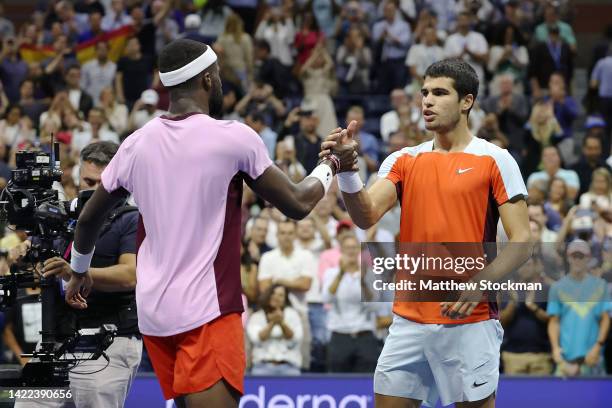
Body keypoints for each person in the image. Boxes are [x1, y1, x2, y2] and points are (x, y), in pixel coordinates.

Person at [63, 39, 356, 408]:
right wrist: (331, 164)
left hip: (154, 317)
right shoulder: (233, 137)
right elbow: (298, 203)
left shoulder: (135, 144)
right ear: (206, 79)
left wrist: (79, 272)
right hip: (207, 312)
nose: (219, 83)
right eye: (217, 76)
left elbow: (88, 218)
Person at [320, 58, 532, 407]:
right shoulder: (404, 159)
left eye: (439, 93)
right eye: (424, 93)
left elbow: (522, 241)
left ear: (467, 101)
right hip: (408, 320)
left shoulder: (496, 159)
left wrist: (481, 281)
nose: (427, 101)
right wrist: (347, 171)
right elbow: (365, 213)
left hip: (470, 321)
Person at [14, 141, 141, 408]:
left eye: (100, 184)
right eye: (87, 181)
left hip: (109, 338)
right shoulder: (62, 217)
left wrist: (79, 272)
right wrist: (29, 250)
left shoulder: (132, 219)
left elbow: (131, 274)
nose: (93, 192)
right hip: (57, 337)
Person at [547, 240, 611, 376]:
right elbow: (554, 321)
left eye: (581, 256)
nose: (577, 260)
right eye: (574, 256)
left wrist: (598, 346)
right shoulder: (557, 287)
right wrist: (555, 349)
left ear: (588, 258)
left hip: (593, 358)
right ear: (568, 258)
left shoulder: (601, 286)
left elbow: (605, 318)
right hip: (566, 359)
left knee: (595, 397)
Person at [246, 284, 304, 375]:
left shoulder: (293, 315)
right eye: (273, 293)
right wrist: (272, 323)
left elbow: (295, 339)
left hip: (289, 366)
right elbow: (257, 339)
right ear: (268, 295)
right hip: (262, 367)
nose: (276, 297)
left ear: (285, 299)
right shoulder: (257, 316)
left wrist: (281, 323)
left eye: (280, 295)